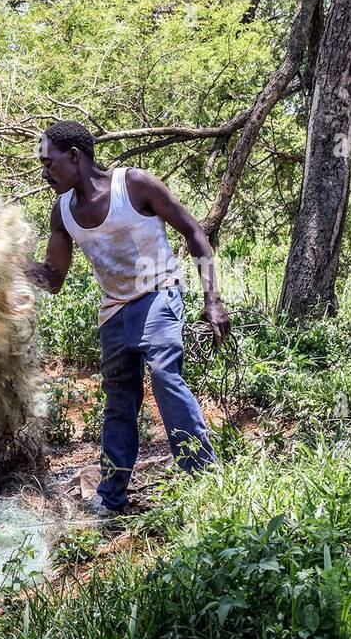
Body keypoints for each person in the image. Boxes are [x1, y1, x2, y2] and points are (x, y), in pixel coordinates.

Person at [35, 119, 230, 517]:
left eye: (48, 162)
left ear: (74, 157)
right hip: (114, 313)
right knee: (119, 404)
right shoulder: (62, 212)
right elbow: (53, 279)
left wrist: (213, 299)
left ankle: (204, 481)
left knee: (163, 373)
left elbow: (193, 232)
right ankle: (111, 499)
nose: (44, 173)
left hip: (159, 293)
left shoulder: (135, 184)